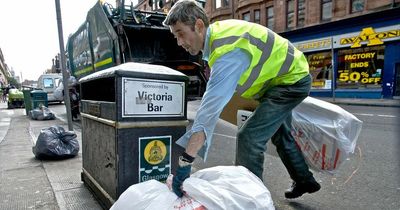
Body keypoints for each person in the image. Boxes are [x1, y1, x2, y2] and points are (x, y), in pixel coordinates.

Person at [164, 0, 321, 199]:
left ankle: (251, 200)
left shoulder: (227, 51)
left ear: (198, 26)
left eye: (180, 33)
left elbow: (208, 113)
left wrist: (185, 162)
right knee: (281, 134)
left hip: (290, 81)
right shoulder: (218, 38)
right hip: (279, 80)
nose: (179, 42)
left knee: (250, 137)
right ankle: (305, 180)